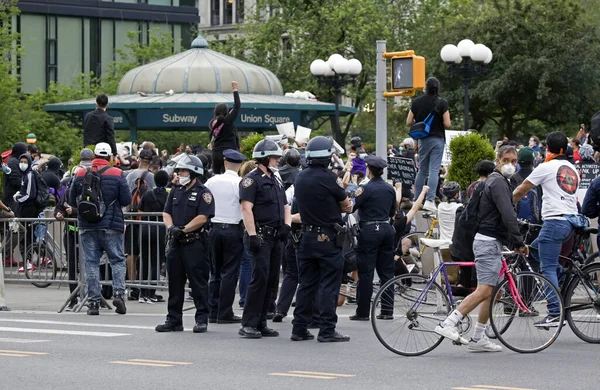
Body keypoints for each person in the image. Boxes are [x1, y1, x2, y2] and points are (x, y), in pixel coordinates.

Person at [435, 145, 527, 352]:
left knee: (494, 291)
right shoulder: (498, 183)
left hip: (491, 241)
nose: (511, 165)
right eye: (506, 160)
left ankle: (479, 337)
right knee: (484, 290)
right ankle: (448, 323)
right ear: (497, 161)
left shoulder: (498, 181)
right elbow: (507, 214)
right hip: (487, 242)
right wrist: (519, 241)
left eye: (514, 161)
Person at [513, 132, 580, 326]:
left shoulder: (546, 166)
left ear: (547, 148)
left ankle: (554, 313)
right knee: (532, 252)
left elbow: (521, 190)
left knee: (547, 267)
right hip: (570, 222)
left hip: (554, 222)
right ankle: (563, 281)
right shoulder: (572, 168)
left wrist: (506, 206)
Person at [292, 136, 353, 342]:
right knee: (329, 285)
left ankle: (299, 328)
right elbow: (347, 205)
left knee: (306, 284)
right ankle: (327, 329)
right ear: (326, 157)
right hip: (327, 237)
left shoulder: (300, 177)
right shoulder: (329, 178)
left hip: (306, 236)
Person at [69, 143, 131, 315]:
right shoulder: (117, 173)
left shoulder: (81, 173)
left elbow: (71, 198)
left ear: (94, 155)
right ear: (110, 157)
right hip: (112, 225)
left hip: (87, 225)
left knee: (91, 263)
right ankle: (118, 294)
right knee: (117, 260)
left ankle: (93, 303)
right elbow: (126, 200)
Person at [238, 139, 291, 338]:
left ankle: (261, 322)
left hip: (276, 236)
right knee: (259, 280)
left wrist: (286, 225)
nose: (278, 161)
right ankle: (248, 323)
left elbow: (286, 206)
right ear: (265, 158)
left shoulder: (276, 179)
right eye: (275, 157)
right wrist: (252, 235)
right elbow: (246, 208)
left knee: (271, 280)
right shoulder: (251, 180)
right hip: (260, 235)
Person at [155, 155, 214, 333]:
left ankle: (202, 319)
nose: (179, 173)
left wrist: (185, 229)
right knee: (174, 283)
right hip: (176, 243)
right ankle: (174, 320)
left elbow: (203, 217)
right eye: (179, 170)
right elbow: (166, 213)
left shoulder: (204, 192)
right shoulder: (175, 190)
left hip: (194, 243)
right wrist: (171, 227)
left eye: (183, 170)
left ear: (194, 172)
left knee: (198, 283)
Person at [350, 155, 397, 321]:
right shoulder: (390, 189)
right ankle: (387, 310)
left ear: (369, 170)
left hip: (369, 230)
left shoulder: (365, 188)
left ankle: (363, 311)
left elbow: (352, 207)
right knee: (387, 272)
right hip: (386, 229)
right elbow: (392, 212)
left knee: (366, 272)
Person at [205, 149, 246, 324]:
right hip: (232, 228)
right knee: (230, 272)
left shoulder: (211, 181)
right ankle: (225, 311)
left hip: (214, 228)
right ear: (240, 165)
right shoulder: (240, 183)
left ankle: (212, 310)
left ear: (224, 163)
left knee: (215, 271)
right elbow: (244, 206)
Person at [406, 77, 451, 212]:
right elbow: (447, 124)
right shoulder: (442, 103)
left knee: (422, 170)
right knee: (434, 170)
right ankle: (430, 200)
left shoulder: (417, 102)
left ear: (425, 87)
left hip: (423, 140)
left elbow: (408, 122)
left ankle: (417, 200)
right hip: (437, 139)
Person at [138, 170, 169, 303]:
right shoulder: (168, 196)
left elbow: (139, 209)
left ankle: (142, 292)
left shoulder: (147, 193)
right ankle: (151, 292)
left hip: (145, 229)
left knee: (144, 260)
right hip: (159, 230)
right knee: (156, 261)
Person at [210, 81, 241, 174]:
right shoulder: (228, 121)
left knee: (215, 176)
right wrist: (235, 89)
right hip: (228, 153)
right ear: (226, 112)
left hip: (216, 153)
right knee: (229, 176)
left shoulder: (213, 123)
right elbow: (237, 106)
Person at [237, 160, 257, 308]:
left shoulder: (242, 184)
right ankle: (246, 297)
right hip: (248, 227)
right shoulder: (251, 185)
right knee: (248, 264)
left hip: (238, 226)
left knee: (244, 264)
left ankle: (244, 297)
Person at [2, 142, 26, 212]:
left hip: (13, 197)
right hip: (12, 198)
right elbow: (15, 180)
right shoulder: (13, 162)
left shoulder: (14, 161)